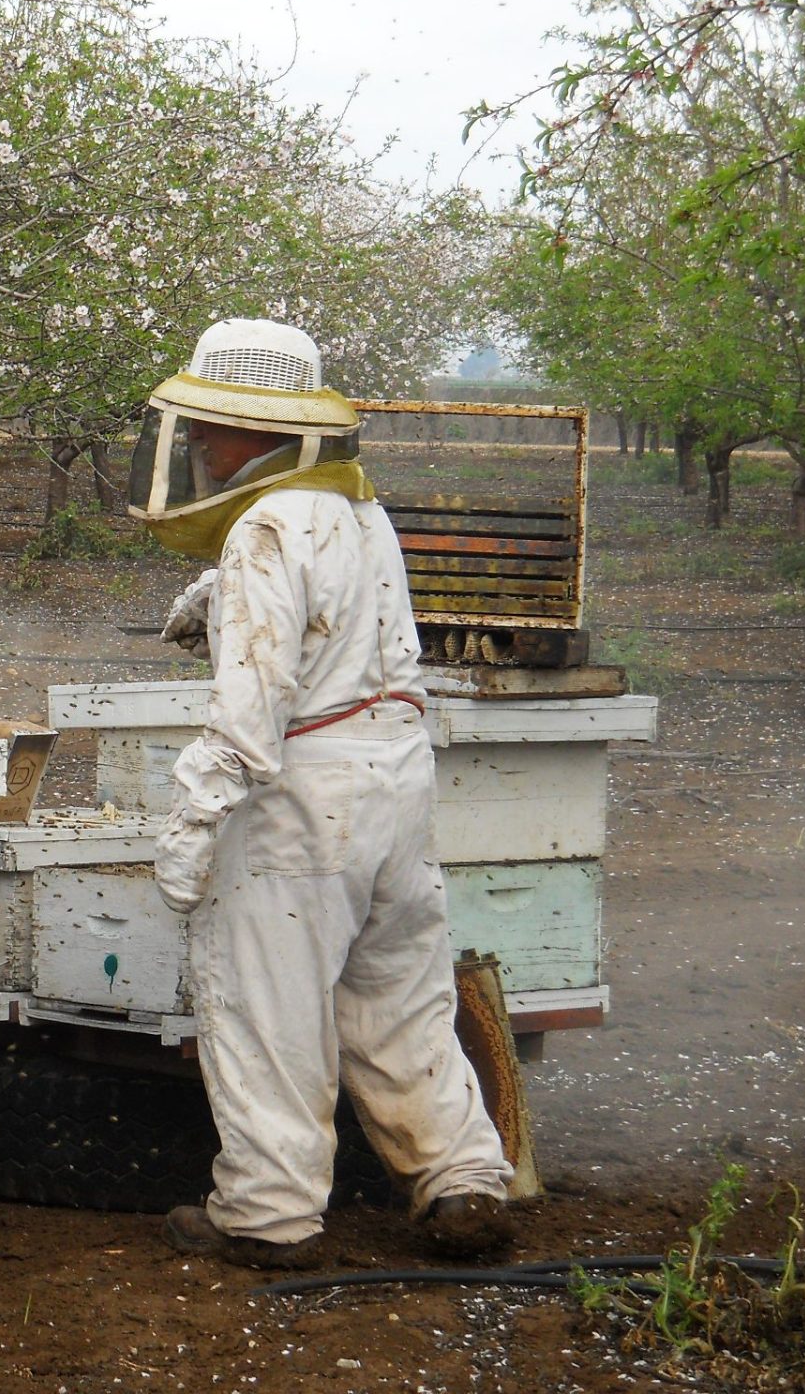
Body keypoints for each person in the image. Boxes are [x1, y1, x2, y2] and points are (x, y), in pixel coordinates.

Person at [126, 317, 514, 1270]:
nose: (205, 448)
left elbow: (251, 708)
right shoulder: (360, 512)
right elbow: (336, 619)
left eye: (215, 429)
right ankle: (461, 1181)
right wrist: (218, 600)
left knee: (269, 1006)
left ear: (257, 434)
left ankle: (267, 1214)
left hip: (305, 790)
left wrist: (190, 829)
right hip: (397, 776)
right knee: (400, 994)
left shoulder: (264, 524)